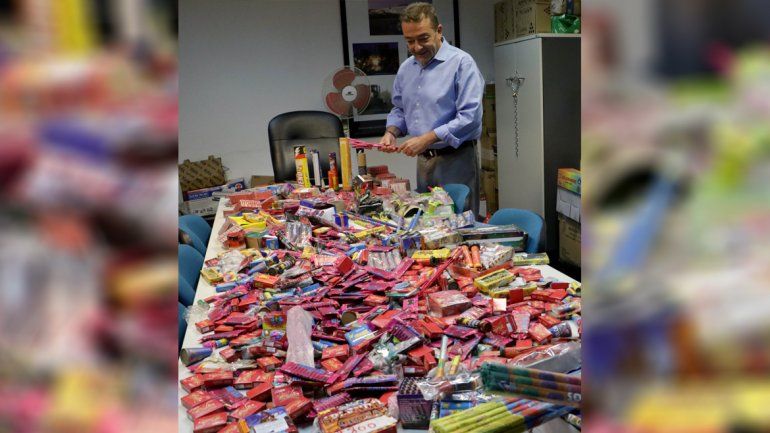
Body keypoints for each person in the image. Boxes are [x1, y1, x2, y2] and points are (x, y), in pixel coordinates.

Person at [380, 2, 485, 218]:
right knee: (427, 224)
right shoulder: (406, 68)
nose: (417, 47)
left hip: (457, 159)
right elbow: (400, 108)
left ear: (439, 31)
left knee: (459, 224)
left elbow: (470, 117)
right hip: (424, 162)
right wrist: (391, 132)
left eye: (423, 38)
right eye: (410, 41)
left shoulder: (462, 63)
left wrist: (426, 138)